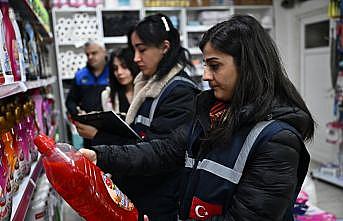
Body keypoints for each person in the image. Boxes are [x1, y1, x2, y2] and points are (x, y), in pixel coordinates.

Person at [81, 15, 315, 220]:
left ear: (248, 66)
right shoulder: (212, 114)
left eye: (214, 66)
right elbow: (162, 151)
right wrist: (99, 155)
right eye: (205, 64)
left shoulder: (278, 139)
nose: (205, 75)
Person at [77, 14, 199, 220]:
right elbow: (141, 136)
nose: (135, 58)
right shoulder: (148, 85)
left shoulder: (179, 92)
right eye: (134, 50)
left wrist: (102, 149)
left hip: (159, 203)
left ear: (165, 47)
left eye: (142, 50)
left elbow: (159, 151)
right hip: (141, 194)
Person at [76, 47, 139, 145]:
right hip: (120, 151)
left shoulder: (146, 94)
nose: (119, 72)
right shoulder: (107, 96)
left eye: (124, 66)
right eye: (115, 68)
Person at [65, 40, 109, 147]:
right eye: (87, 54)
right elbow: (70, 101)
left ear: (104, 52)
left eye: (94, 53)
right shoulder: (80, 75)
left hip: (110, 128)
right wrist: (77, 113)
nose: (90, 57)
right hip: (89, 129)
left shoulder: (114, 72)